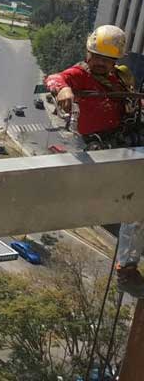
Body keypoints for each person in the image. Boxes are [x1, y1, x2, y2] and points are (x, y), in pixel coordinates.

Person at [45, 24, 144, 297]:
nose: (99, 63)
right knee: (136, 203)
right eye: (95, 56)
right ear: (87, 53)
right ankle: (127, 269)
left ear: (116, 61)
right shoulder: (79, 75)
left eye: (106, 59)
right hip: (103, 145)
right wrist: (63, 90)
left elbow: (130, 106)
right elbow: (55, 78)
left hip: (125, 138)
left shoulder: (121, 77)